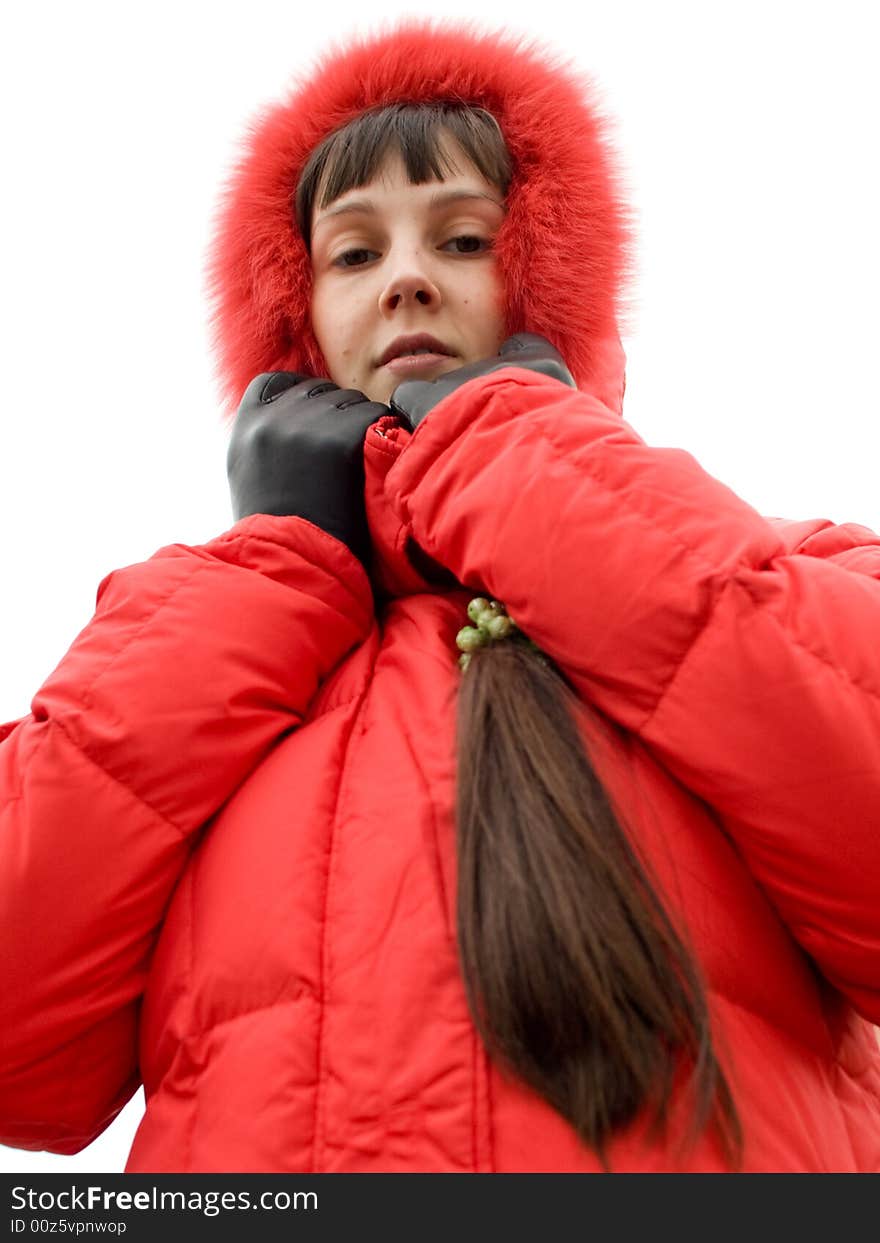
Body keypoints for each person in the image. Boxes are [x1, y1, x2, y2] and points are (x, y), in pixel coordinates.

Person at [2, 17, 879, 1175]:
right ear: (298, 327)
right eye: (352, 254)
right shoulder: (209, 643)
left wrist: (520, 458)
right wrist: (270, 565)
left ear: (544, 283)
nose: (407, 276)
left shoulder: (792, 565)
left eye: (462, 237)